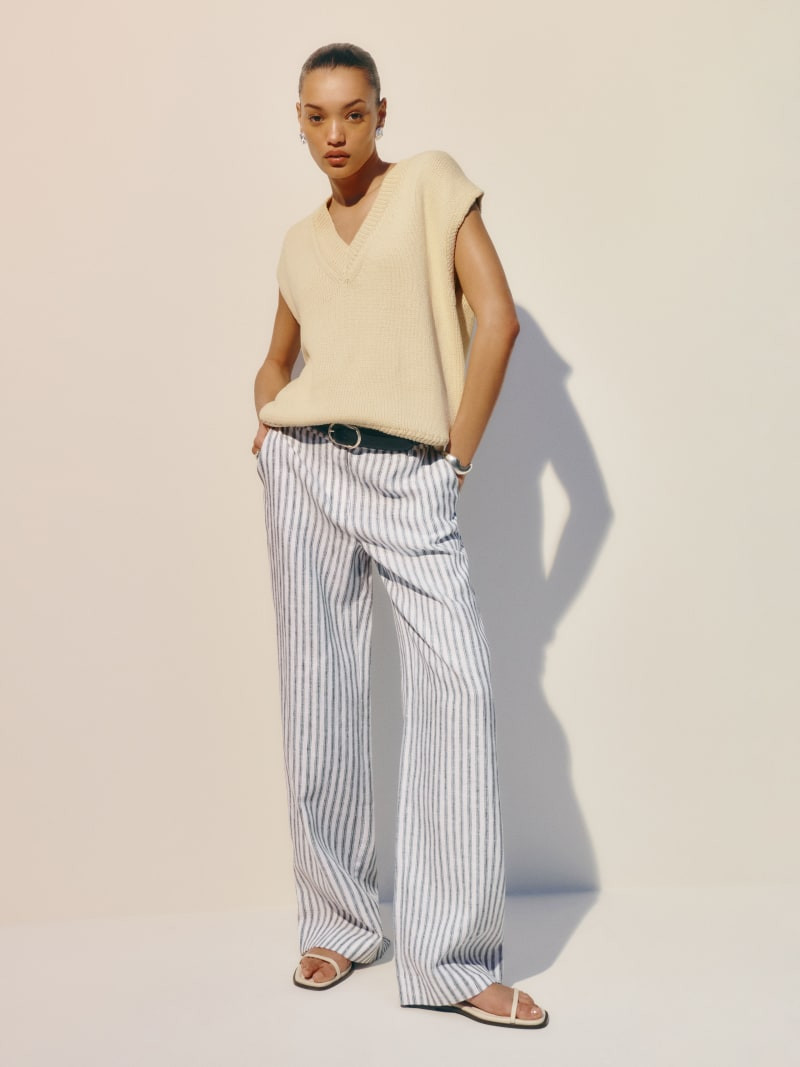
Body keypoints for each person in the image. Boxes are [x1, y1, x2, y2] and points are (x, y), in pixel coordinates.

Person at [252, 43, 548, 1030]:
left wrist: (451, 463)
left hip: (410, 471)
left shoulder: (428, 184)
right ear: (298, 121)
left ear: (382, 112)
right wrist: (270, 420)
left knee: (458, 688)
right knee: (319, 693)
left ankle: (452, 958)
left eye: (352, 113)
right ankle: (338, 919)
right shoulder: (297, 242)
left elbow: (497, 320)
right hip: (306, 470)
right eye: (315, 116)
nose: (334, 134)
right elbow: (276, 361)